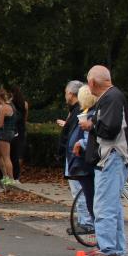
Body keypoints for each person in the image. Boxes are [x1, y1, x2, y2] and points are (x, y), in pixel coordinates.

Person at [81, 65, 128, 256]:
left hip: (111, 157)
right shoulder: (115, 96)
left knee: (103, 205)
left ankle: (108, 249)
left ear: (92, 82)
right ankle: (116, 249)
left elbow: (110, 129)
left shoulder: (110, 98)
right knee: (113, 206)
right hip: (116, 157)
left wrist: (91, 125)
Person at [57, 80, 91, 233]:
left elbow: (78, 135)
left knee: (79, 190)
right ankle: (84, 220)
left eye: (66, 93)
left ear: (71, 94)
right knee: (79, 190)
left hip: (76, 157)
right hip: (74, 155)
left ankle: (86, 222)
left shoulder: (79, 112)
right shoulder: (78, 111)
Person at [66, 85, 96, 229]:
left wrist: (80, 143)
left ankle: (89, 223)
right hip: (83, 161)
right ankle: (89, 222)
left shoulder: (90, 114)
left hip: (85, 162)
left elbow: (88, 138)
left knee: (90, 197)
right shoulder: (87, 112)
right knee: (88, 196)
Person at [0, 89, 17, 186]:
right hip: (10, 132)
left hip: (5, 133)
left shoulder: (3, 108)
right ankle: (5, 176)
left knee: (6, 157)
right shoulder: (11, 105)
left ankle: (11, 178)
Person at [10, 85, 28, 183]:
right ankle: (18, 175)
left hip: (14, 129)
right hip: (22, 129)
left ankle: (12, 174)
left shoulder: (10, 104)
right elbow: (25, 118)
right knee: (20, 153)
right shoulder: (24, 104)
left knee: (12, 153)